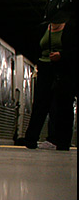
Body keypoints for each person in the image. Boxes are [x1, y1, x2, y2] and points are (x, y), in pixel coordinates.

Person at [16, 22, 73, 150]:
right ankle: (31, 139)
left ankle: (60, 141)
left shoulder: (71, 27)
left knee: (62, 105)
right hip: (45, 68)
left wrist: (62, 56)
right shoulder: (43, 28)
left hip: (64, 70)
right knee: (40, 104)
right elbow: (34, 45)